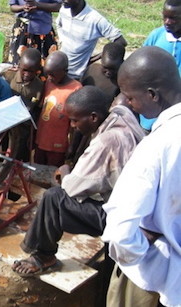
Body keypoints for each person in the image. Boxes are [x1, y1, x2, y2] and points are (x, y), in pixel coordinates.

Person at [12, 85, 145, 276]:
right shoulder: (120, 114)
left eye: (75, 120)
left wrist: (66, 171)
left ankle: (43, 256)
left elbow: (72, 188)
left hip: (122, 217)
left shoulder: (107, 141)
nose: (72, 126)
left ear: (93, 117)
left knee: (54, 198)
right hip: (138, 210)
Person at [102, 46, 181, 307]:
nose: (129, 105)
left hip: (152, 277)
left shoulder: (156, 146)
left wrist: (141, 255)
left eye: (130, 97)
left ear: (152, 95)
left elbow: (121, 231)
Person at [56, 0, 127, 80]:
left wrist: (97, 58)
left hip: (75, 76)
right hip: (59, 70)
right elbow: (59, 24)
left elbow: (121, 41)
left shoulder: (96, 20)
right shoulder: (64, 10)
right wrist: (62, 40)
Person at [34, 51, 82, 167]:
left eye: (53, 75)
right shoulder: (48, 83)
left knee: (52, 174)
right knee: (37, 171)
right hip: (40, 140)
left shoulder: (75, 89)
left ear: (65, 72)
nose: (49, 77)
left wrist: (72, 147)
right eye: (48, 74)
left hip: (58, 145)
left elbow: (77, 125)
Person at [139, 0, 181, 131]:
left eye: (173, 18)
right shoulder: (157, 36)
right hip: (150, 114)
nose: (167, 21)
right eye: (165, 16)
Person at [10, 48, 44, 161]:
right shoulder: (9, 77)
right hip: (7, 124)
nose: (27, 74)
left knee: (21, 150)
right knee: (7, 150)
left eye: (31, 71)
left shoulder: (39, 86)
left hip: (24, 126)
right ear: (19, 65)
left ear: (38, 70)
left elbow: (36, 107)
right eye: (24, 70)